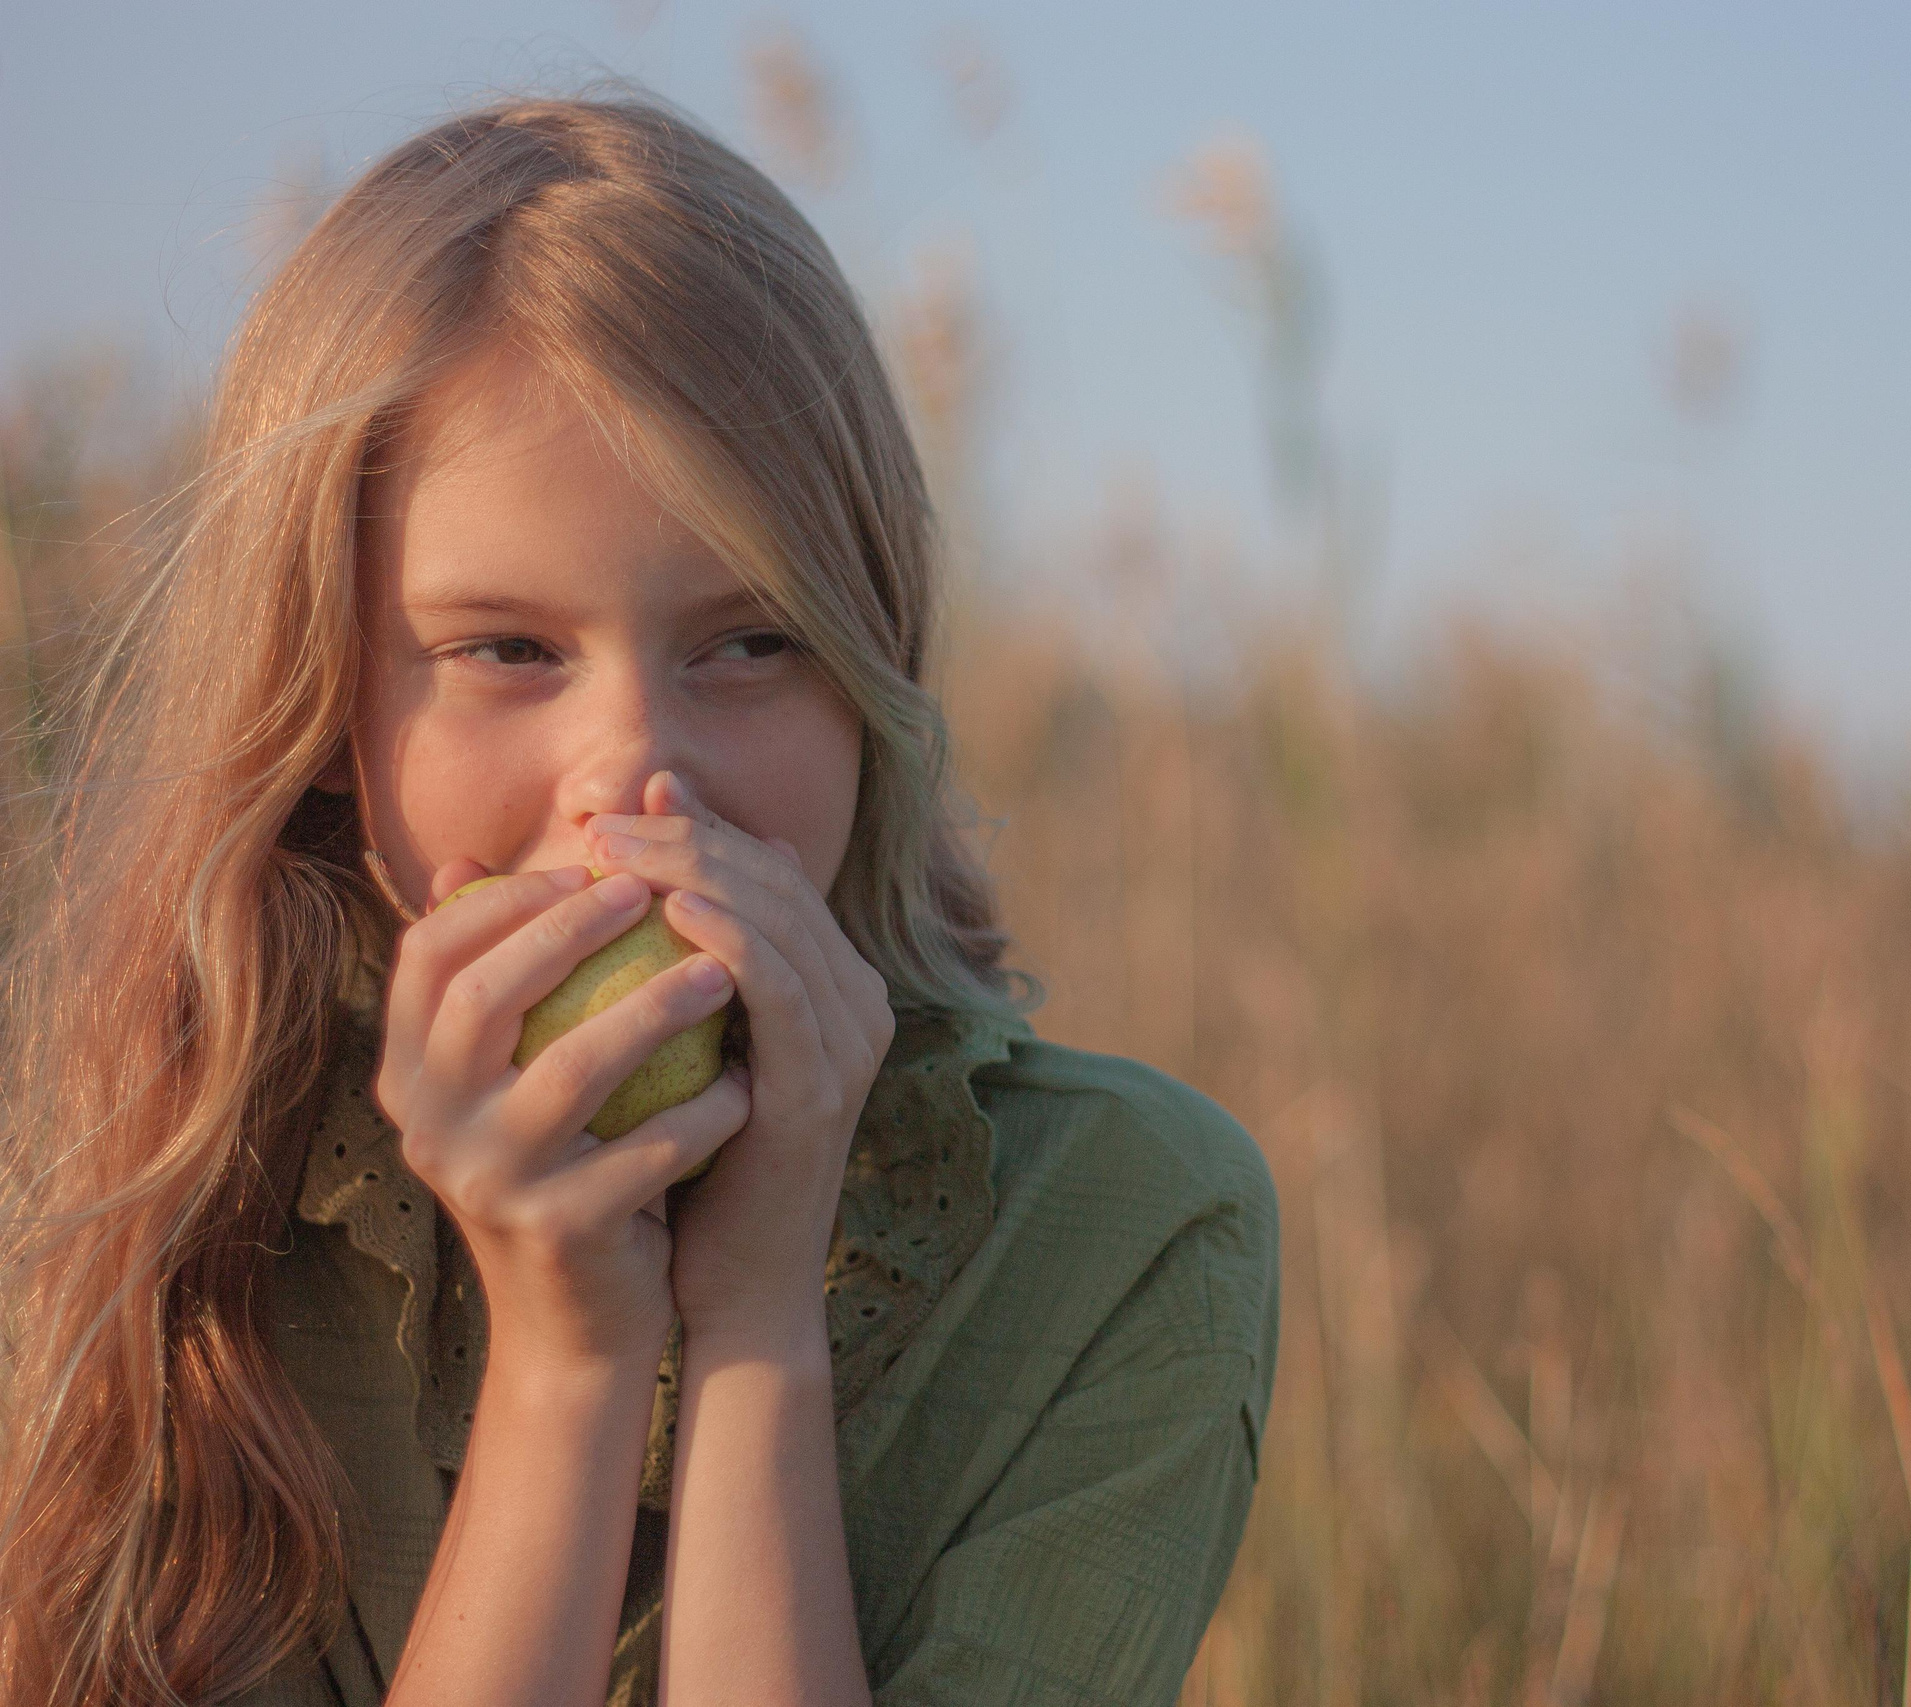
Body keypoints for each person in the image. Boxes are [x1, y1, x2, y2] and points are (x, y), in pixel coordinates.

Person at [0, 84, 1278, 1707]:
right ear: (321, 701)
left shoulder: (1127, 1221)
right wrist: (573, 1365)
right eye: (505, 651)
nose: (636, 776)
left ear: (869, 667)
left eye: (752, 641)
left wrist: (757, 1318)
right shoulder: (149, 1204)